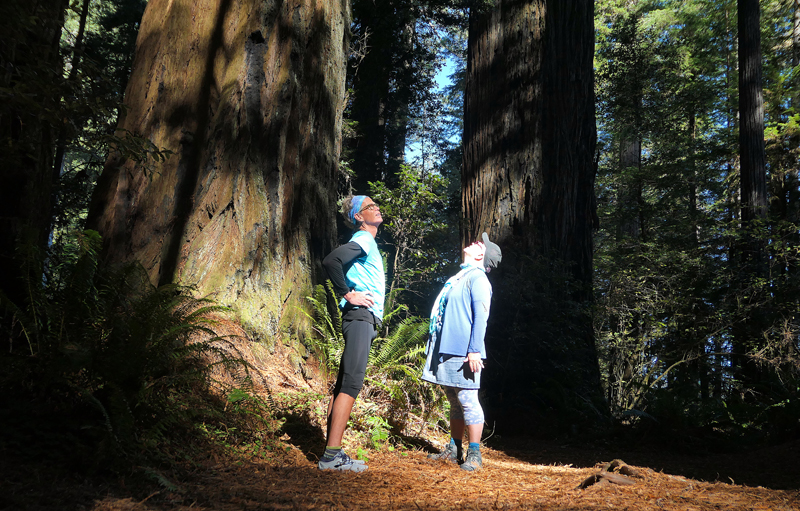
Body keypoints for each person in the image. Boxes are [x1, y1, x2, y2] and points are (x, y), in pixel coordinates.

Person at [422, 232, 502, 472]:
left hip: (465, 350)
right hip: (447, 346)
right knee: (454, 400)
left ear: (482, 255)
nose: (476, 242)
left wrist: (475, 351)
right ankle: (454, 447)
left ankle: (474, 454)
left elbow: (482, 318)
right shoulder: (461, 276)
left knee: (467, 399)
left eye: (481, 244)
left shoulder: (478, 279)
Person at [317, 195, 384, 472]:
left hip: (360, 318)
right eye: (369, 207)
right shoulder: (364, 238)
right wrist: (348, 293)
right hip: (359, 316)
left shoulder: (369, 241)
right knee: (352, 382)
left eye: (376, 204)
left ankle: (332, 451)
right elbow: (331, 261)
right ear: (358, 216)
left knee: (345, 380)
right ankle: (331, 456)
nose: (376, 208)